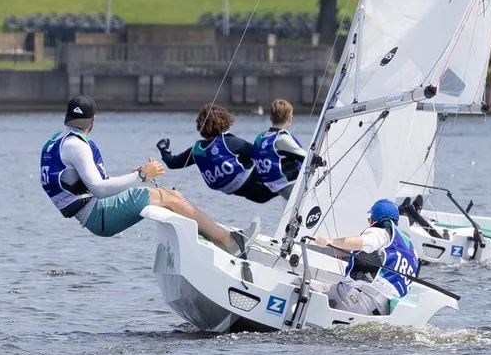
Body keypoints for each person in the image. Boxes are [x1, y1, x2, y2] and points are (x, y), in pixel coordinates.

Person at [40, 98, 243, 252]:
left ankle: (214, 243)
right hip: (98, 214)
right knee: (167, 198)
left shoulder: (58, 140)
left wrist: (136, 175)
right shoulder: (77, 146)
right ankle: (229, 242)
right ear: (93, 119)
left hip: (95, 211)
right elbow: (100, 190)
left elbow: (91, 185)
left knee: (175, 196)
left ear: (68, 117)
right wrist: (142, 176)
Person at [307, 198, 421, 316]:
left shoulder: (381, 233)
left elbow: (363, 242)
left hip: (361, 300)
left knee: (299, 284)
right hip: (383, 310)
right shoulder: (411, 249)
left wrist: (330, 242)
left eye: (369, 218)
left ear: (373, 219)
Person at [156, 105, 256, 197]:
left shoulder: (196, 150)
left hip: (225, 188)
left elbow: (172, 163)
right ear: (225, 121)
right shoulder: (232, 142)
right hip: (245, 183)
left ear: (200, 126)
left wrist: (164, 149)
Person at [246, 99, 307, 202]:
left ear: (271, 117)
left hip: (271, 186)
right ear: (290, 118)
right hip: (288, 185)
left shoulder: (261, 138)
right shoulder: (281, 138)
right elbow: (307, 157)